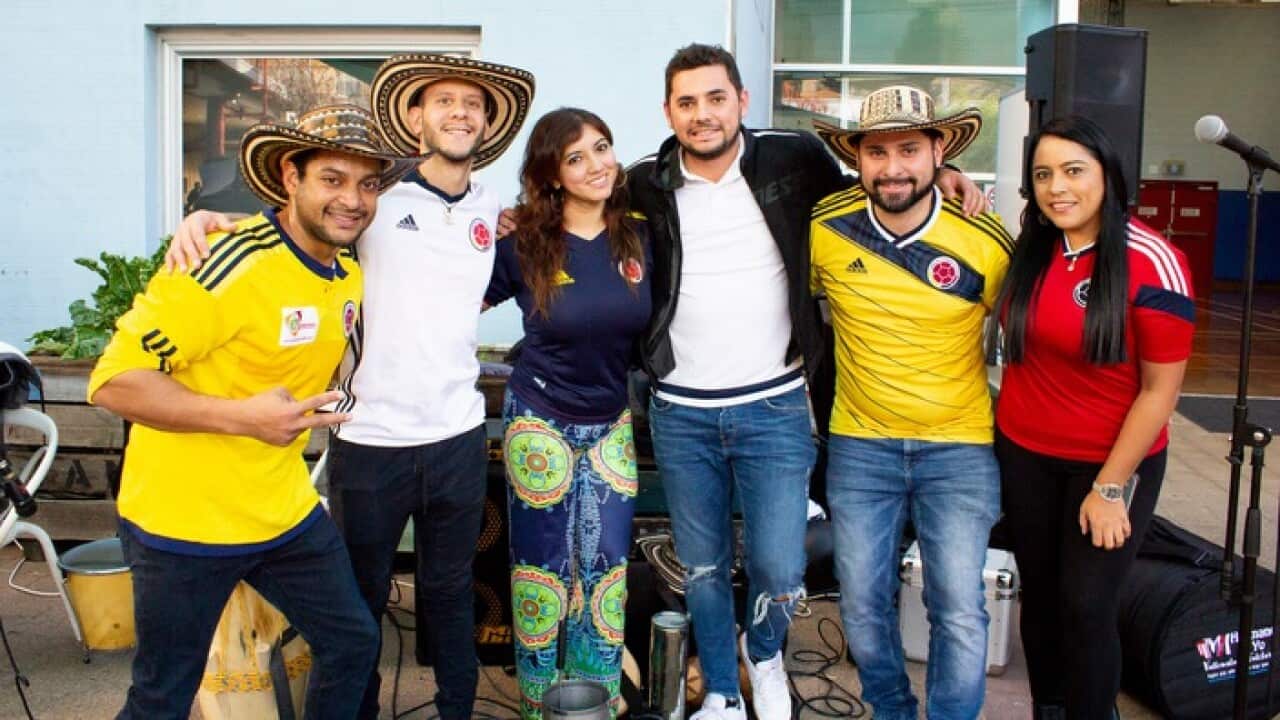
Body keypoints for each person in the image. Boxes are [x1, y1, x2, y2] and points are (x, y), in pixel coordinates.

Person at [164, 54, 536, 720]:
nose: (460, 113)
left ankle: (458, 710)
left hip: (456, 435)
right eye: (444, 101)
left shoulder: (489, 208)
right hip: (368, 440)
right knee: (361, 606)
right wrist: (206, 223)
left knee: (450, 596)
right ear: (416, 117)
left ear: (487, 122)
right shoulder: (375, 197)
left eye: (473, 104)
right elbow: (292, 227)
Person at [624, 45, 986, 720]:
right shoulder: (645, 182)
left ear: (741, 101)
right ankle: (725, 697)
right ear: (668, 111)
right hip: (681, 410)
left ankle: (763, 651)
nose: (702, 115)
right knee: (701, 566)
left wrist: (949, 174)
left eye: (714, 98)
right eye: (686, 102)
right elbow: (583, 222)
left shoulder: (794, 160)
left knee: (781, 568)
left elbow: (881, 183)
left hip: (775, 405)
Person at [89, 105, 404, 719]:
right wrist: (246, 419)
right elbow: (113, 383)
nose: (353, 199)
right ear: (291, 178)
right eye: (333, 179)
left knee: (353, 642)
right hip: (184, 523)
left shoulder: (346, 273)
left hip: (281, 513)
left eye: (367, 184)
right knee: (163, 697)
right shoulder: (220, 262)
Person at [809, 85, 1012, 720]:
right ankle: (893, 711)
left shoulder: (985, 238)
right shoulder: (824, 227)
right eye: (876, 152)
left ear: (938, 151)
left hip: (959, 450)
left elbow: (1030, 334)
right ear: (856, 158)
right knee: (863, 605)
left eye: (908, 149)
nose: (892, 167)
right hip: (860, 448)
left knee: (956, 604)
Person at [990, 115, 1194, 720]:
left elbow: (1161, 391)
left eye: (1074, 171)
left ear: (1109, 177)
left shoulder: (1152, 258)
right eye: (1044, 175)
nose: (1059, 187)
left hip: (1108, 465)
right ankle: (1048, 709)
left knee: (1087, 606)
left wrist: (1110, 488)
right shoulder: (1034, 246)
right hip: (1025, 453)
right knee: (1044, 601)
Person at [485, 107, 650, 719]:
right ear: (553, 175)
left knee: (606, 570)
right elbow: (446, 293)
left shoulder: (640, 233)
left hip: (611, 421)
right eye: (575, 157)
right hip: (540, 418)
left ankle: (596, 704)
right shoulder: (523, 241)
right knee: (541, 569)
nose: (595, 165)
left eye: (602, 148)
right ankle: (539, 704)